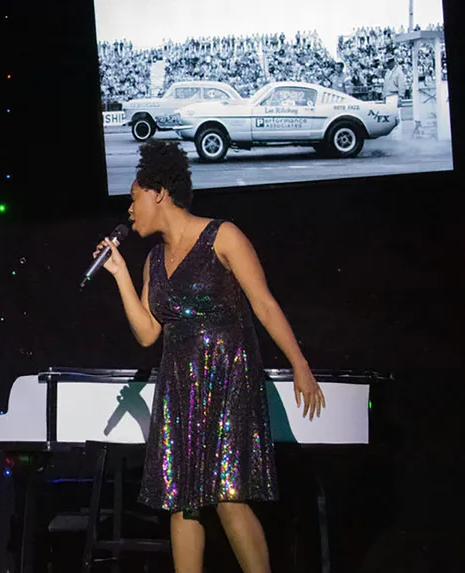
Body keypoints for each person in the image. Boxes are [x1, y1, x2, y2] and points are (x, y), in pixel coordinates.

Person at [93, 141, 325, 573]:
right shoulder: (153, 262)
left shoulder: (224, 236)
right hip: (179, 389)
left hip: (227, 379)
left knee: (226, 495)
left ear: (158, 192)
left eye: (133, 197)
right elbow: (147, 333)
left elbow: (265, 305)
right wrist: (122, 274)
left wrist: (300, 365)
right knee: (183, 500)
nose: (129, 209)